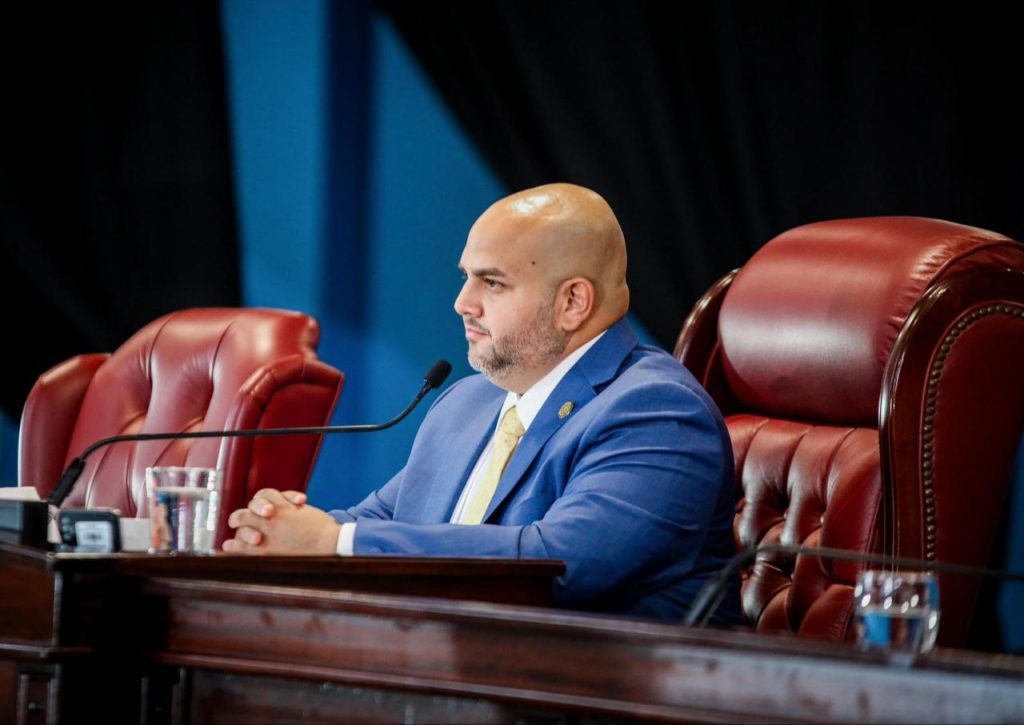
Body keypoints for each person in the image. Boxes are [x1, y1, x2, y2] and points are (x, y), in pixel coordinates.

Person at [224, 183, 740, 623]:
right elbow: (375, 520)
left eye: (492, 282)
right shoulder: (467, 404)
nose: (462, 303)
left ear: (573, 302)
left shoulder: (656, 411)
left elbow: (558, 563)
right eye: (465, 276)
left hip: (587, 689)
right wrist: (274, 533)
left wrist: (336, 544)